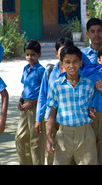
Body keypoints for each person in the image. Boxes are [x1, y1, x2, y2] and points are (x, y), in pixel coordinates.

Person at [46, 45, 98, 165]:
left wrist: (91, 111)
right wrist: (49, 136)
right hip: (63, 134)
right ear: (62, 64)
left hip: (85, 134)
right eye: (67, 62)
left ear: (80, 62)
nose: (71, 65)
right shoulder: (56, 85)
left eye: (75, 62)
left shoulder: (89, 84)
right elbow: (52, 113)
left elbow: (89, 106)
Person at [35, 37, 74, 165]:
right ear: (56, 53)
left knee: (68, 153)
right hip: (50, 118)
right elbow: (42, 96)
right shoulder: (50, 71)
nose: (63, 55)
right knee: (51, 152)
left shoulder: (76, 72)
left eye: (67, 51)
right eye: (61, 52)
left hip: (67, 119)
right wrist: (38, 118)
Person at [16, 40, 46, 165]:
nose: (30, 57)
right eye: (27, 54)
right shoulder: (25, 68)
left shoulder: (41, 70)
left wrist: (32, 103)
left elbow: (45, 93)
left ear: (39, 54)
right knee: (20, 137)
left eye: (33, 54)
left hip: (36, 107)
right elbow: (25, 87)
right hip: (25, 106)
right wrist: (21, 99)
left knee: (36, 140)